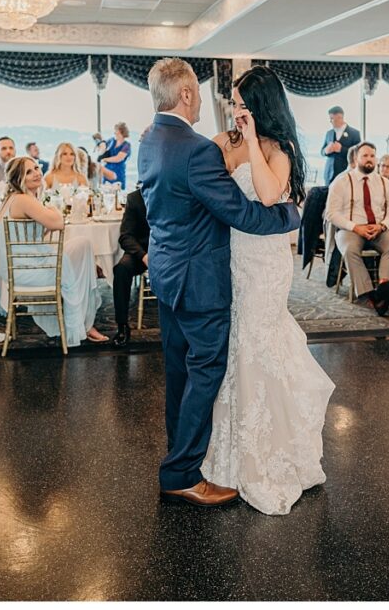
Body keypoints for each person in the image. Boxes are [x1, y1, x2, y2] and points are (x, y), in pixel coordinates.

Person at [139, 58, 301, 509]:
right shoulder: (197, 148)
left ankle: (182, 455)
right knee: (206, 370)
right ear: (188, 94)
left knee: (179, 371)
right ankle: (181, 473)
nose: (231, 111)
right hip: (201, 279)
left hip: (170, 274)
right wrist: (292, 216)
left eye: (239, 103)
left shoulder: (150, 140)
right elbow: (243, 212)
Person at [199, 63, 335, 516]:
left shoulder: (280, 148)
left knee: (259, 340)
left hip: (267, 262)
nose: (235, 112)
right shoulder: (225, 143)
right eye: (233, 104)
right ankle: (232, 446)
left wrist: (254, 140)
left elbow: (269, 195)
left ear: (260, 107)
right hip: (234, 256)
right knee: (237, 343)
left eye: (241, 104)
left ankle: (270, 451)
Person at [0, 156, 108, 346]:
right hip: (25, 269)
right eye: (29, 171)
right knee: (74, 266)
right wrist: (53, 209)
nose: (37, 173)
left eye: (36, 168)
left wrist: (47, 214)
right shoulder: (22, 199)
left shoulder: (19, 198)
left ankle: (81, 322)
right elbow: (58, 223)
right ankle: (82, 325)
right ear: (18, 178)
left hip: (23, 264)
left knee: (83, 245)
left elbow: (39, 231)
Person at [327, 141, 389, 315]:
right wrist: (355, 227)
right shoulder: (342, 181)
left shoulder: (385, 183)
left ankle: (383, 286)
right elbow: (331, 213)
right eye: (365, 156)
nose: (369, 159)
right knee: (350, 249)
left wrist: (382, 226)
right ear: (356, 158)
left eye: (372, 156)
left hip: (377, 228)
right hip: (350, 229)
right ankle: (370, 295)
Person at [111, 186, 149, 348]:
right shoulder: (135, 198)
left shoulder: (172, 191)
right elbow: (125, 236)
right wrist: (143, 256)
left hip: (169, 249)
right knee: (121, 269)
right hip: (141, 251)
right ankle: (122, 326)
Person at [320, 105, 360, 186]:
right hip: (329, 174)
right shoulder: (329, 133)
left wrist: (341, 149)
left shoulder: (354, 133)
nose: (330, 121)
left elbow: (358, 154)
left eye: (332, 118)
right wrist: (326, 150)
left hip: (346, 174)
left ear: (340, 117)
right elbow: (322, 151)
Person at [99, 122, 132, 189]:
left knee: (118, 192)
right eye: (115, 131)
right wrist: (101, 144)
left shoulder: (126, 145)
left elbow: (118, 158)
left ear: (122, 132)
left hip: (118, 172)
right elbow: (102, 147)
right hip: (107, 171)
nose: (115, 133)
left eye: (117, 131)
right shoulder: (111, 141)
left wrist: (105, 159)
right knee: (105, 189)